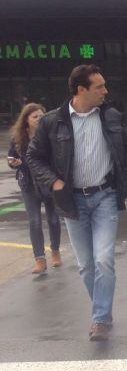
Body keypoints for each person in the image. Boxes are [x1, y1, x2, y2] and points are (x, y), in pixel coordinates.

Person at [27, 64, 127, 341]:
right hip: (72, 200)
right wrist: (54, 182)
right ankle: (103, 312)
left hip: (105, 196)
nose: (105, 91)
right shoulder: (53, 121)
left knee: (103, 260)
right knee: (86, 265)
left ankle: (99, 318)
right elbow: (34, 157)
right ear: (81, 90)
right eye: (99, 86)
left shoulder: (110, 116)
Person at [8, 103, 62, 274]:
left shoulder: (50, 135)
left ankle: (55, 251)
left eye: (41, 115)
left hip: (48, 182)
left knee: (53, 220)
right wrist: (13, 163)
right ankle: (39, 258)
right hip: (28, 185)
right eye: (35, 117)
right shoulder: (18, 140)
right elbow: (12, 158)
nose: (39, 119)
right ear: (26, 120)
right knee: (35, 222)